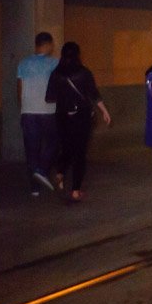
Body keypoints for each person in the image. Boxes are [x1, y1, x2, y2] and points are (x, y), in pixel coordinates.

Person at [45, 42, 111, 201]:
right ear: (77, 54)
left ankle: (60, 172)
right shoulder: (84, 72)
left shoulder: (56, 73)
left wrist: (64, 96)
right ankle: (75, 190)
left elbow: (49, 98)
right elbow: (93, 94)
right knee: (79, 153)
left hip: (62, 116)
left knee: (66, 147)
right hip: (81, 116)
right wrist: (104, 111)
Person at [17, 32, 59, 196]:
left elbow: (19, 89)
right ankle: (42, 170)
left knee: (31, 149)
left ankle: (34, 188)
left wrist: (23, 107)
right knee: (53, 143)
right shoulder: (54, 63)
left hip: (28, 111)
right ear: (48, 45)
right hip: (48, 111)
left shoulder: (23, 63)